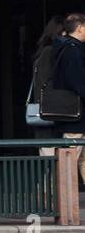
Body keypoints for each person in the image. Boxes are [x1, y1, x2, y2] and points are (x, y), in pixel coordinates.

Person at [50, 12, 85, 189]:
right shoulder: (73, 51)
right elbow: (78, 82)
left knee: (78, 158)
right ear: (79, 28)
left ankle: (51, 195)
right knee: (70, 160)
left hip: (74, 115)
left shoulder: (66, 48)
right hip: (75, 117)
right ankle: (51, 195)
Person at [28, 16, 64, 142]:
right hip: (51, 112)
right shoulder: (49, 52)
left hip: (46, 110)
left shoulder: (43, 52)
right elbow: (46, 83)